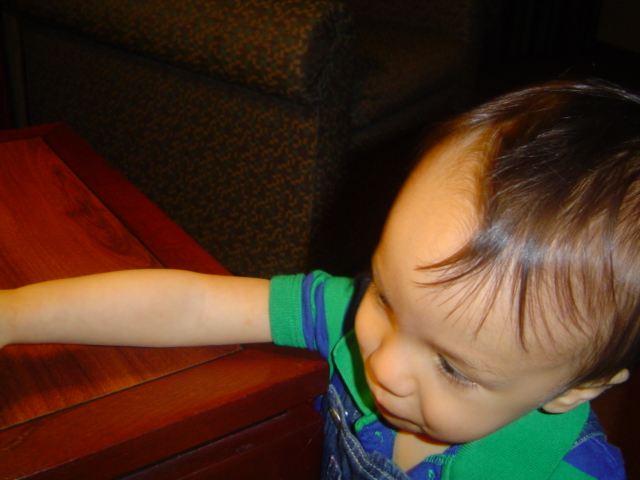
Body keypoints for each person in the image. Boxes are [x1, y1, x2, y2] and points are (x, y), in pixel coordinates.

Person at [1, 78, 638, 479]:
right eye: (385, 297)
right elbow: (190, 303)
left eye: (454, 368)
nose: (384, 365)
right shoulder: (348, 314)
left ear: (574, 388)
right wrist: (15, 314)